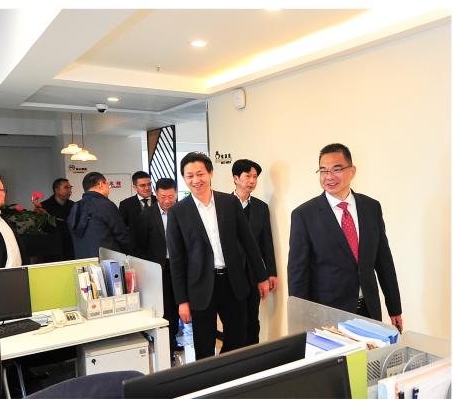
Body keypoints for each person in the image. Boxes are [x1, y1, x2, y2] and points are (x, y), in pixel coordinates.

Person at [288, 144, 402, 329]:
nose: (329, 177)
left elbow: (384, 261)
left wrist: (394, 308)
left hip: (368, 310)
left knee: (372, 350)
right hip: (327, 315)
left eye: (337, 169)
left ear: (352, 171)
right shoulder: (304, 215)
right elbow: (297, 274)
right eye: (323, 171)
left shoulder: (371, 207)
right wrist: (301, 322)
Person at [167, 153, 268, 359]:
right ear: (184, 178)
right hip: (199, 287)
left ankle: (228, 371)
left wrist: (261, 277)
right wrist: (182, 301)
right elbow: (176, 261)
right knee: (204, 345)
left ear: (210, 173)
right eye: (189, 176)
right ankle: (211, 377)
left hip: (233, 282)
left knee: (238, 338)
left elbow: (249, 242)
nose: (196, 180)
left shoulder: (229, 202)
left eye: (200, 174)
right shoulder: (178, 212)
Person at [231, 158, 278, 345]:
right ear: (236, 178)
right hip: (230, 273)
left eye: (255, 177)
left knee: (252, 318)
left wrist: (271, 272)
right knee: (235, 320)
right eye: (247, 176)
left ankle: (253, 353)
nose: (252, 181)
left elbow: (267, 242)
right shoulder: (223, 204)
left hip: (253, 273)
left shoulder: (261, 207)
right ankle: (236, 356)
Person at [135, 177, 180, 357]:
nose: (167, 201)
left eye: (170, 197)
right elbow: (140, 246)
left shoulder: (183, 211)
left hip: (179, 266)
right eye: (163, 197)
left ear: (176, 194)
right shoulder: (147, 216)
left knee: (178, 305)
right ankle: (167, 346)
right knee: (165, 307)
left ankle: (174, 338)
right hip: (158, 269)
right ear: (156, 195)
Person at [69, 171, 131, 258]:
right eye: (108, 185)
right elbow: (121, 235)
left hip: (82, 259)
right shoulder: (105, 205)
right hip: (106, 260)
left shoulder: (75, 206)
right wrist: (132, 254)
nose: (108, 188)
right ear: (101, 184)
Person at [39, 177, 75, 261]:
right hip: (51, 248)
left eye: (70, 188)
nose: (69, 191)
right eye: (66, 187)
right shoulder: (44, 206)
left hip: (70, 247)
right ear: (56, 190)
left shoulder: (73, 205)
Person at [117, 170, 154, 244]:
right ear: (135, 187)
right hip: (135, 247)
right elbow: (121, 229)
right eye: (142, 185)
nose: (147, 188)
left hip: (157, 246)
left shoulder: (159, 201)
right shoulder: (126, 204)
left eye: (149, 184)